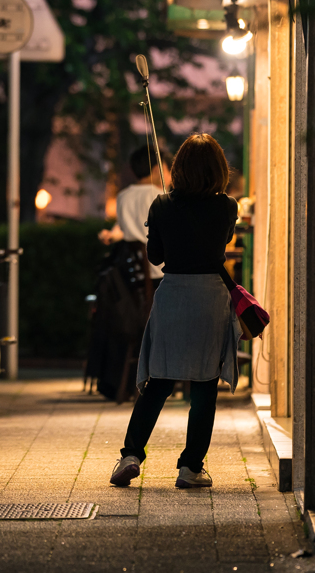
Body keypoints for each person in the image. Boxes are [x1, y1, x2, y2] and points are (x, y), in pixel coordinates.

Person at [109, 133, 241, 490]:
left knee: (158, 382)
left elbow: (156, 256)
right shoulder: (227, 206)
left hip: (173, 295)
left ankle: (131, 455)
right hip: (210, 297)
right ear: (219, 169)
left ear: (178, 168)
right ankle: (190, 467)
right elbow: (223, 243)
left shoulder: (161, 205)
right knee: (204, 387)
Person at [99, 145, 172, 283]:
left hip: (135, 275)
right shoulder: (161, 197)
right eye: (168, 170)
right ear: (157, 170)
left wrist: (112, 235)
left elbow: (123, 228)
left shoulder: (122, 196)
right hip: (161, 274)